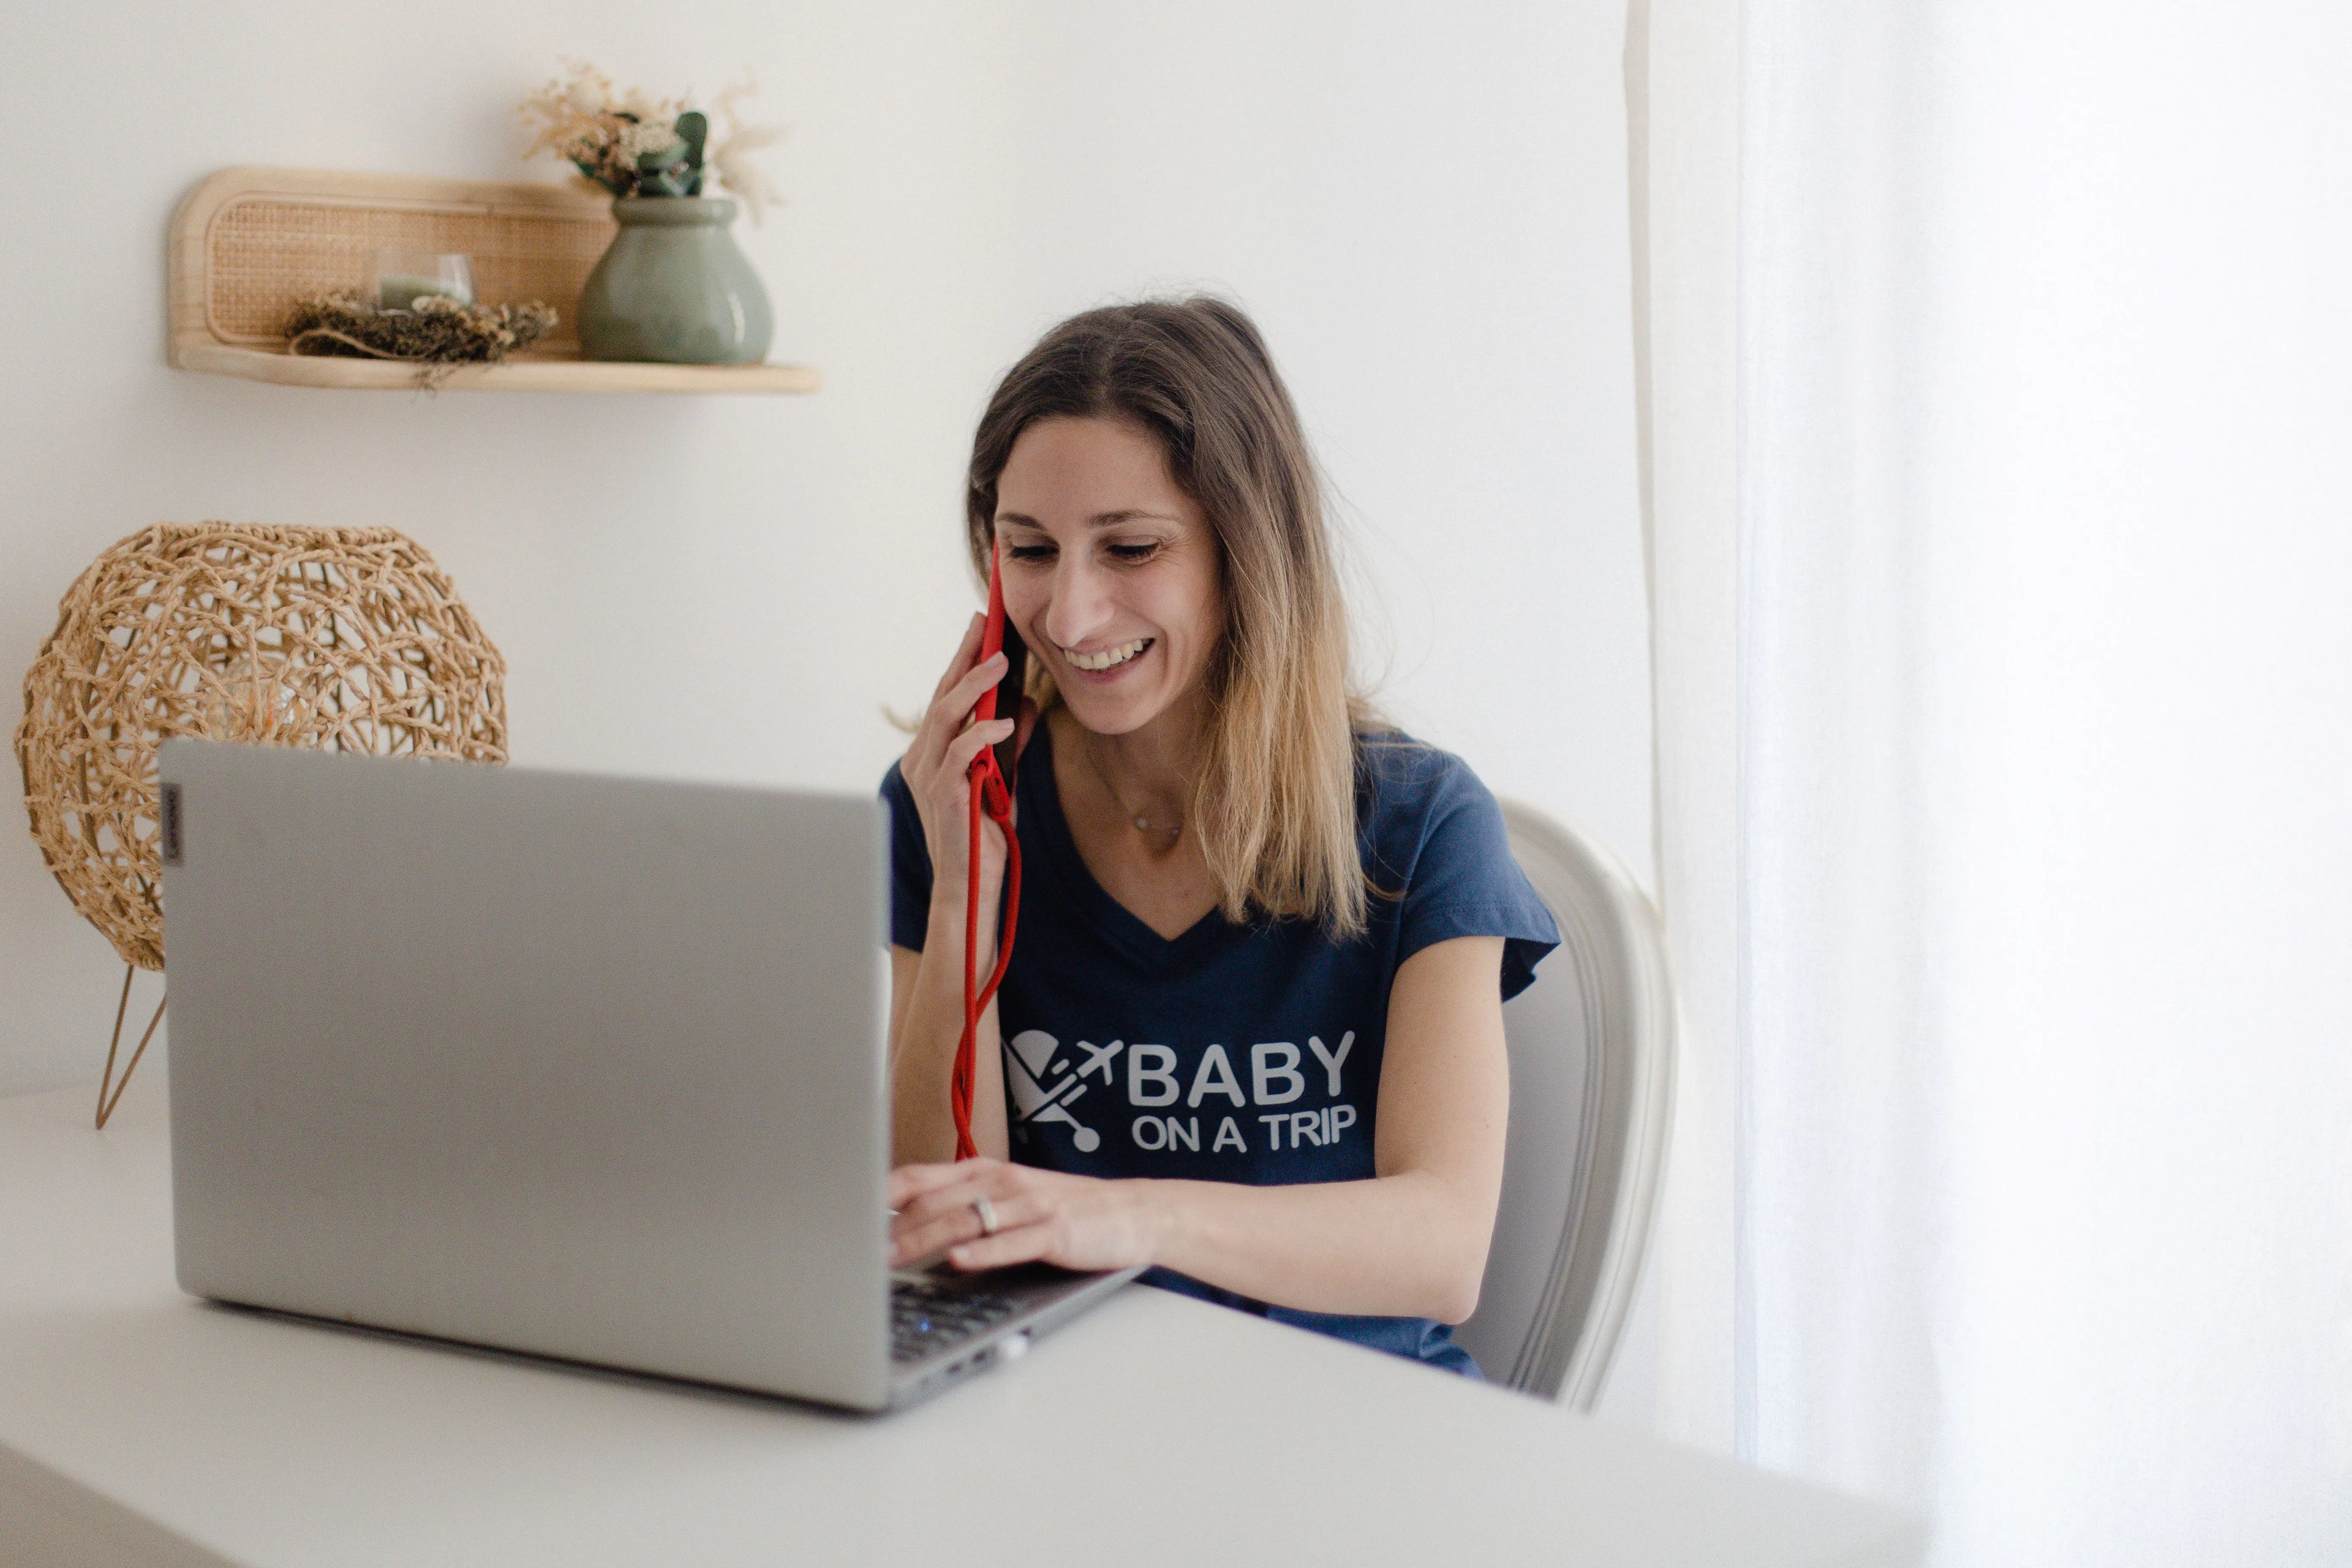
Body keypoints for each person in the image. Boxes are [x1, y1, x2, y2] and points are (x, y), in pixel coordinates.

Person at [880, 298, 1559, 1375]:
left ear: (1246, 550)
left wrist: (1140, 1222)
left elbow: (1442, 1247)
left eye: (1131, 548)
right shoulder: (954, 802)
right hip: (1070, 1422)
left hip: (1346, 1427)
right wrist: (963, 898)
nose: (1069, 614)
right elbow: (939, 1240)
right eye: (1030, 551)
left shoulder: (1421, 825)